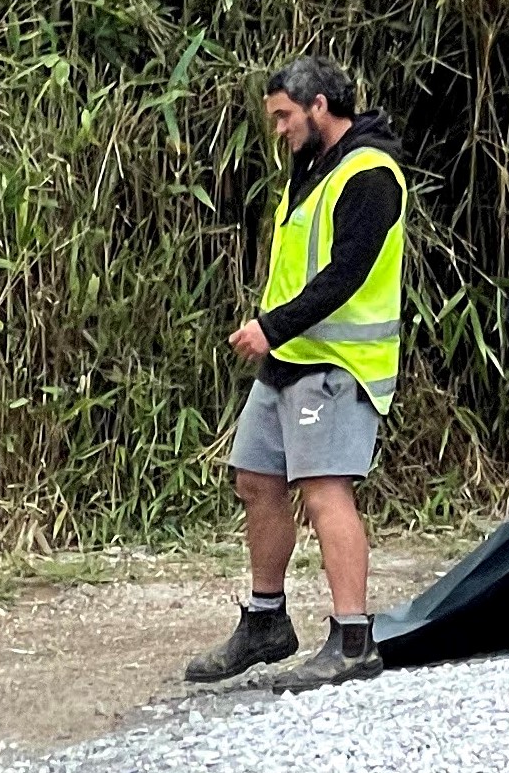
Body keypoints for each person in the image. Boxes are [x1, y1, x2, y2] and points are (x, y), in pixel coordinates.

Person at [186, 55, 407, 692]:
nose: (278, 128)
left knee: (324, 490)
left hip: (337, 365)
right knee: (255, 478)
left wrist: (271, 327)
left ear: (318, 106)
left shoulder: (369, 172)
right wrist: (277, 338)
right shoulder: (312, 169)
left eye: (284, 116)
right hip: (288, 361)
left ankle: (353, 638)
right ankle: (265, 621)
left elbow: (347, 274)